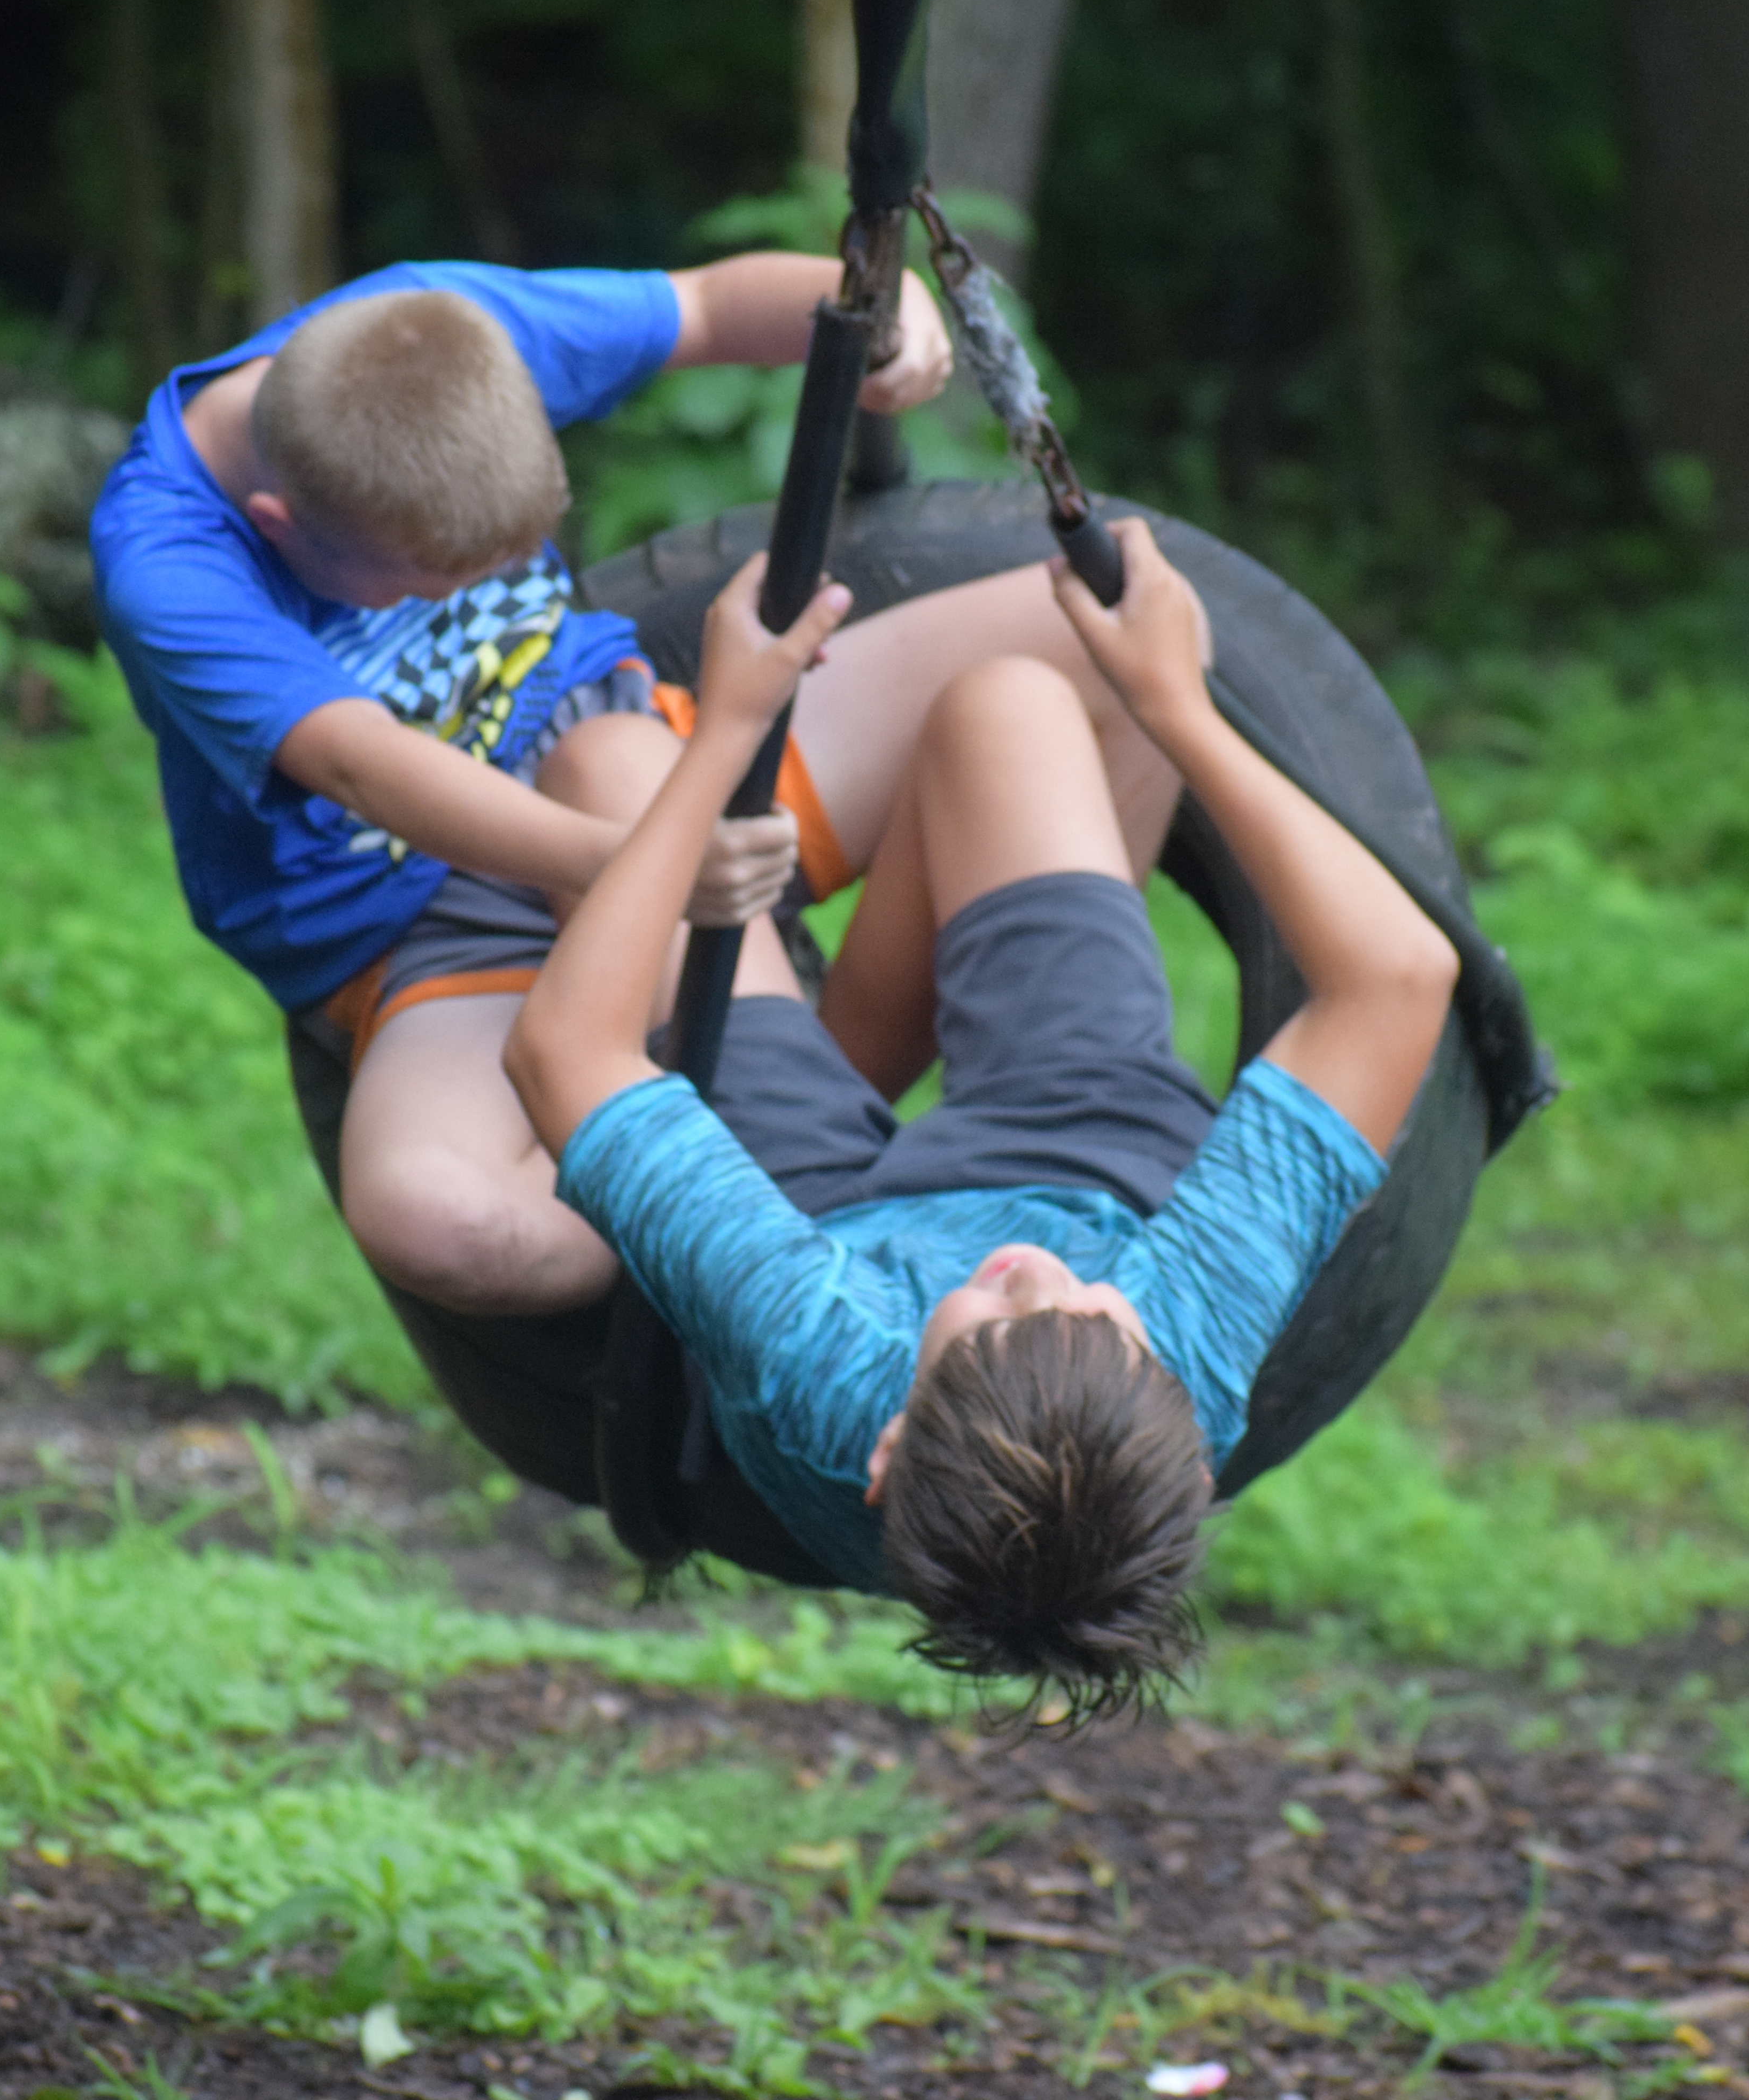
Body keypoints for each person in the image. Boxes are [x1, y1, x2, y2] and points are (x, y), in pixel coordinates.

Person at [91, 254, 1175, 1315]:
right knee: (438, 1215)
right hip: (424, 913)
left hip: (627, 748)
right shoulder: (170, 564)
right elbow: (361, 765)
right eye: (437, 581)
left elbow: (703, 305)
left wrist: (887, 317)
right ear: (280, 528)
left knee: (1121, 632)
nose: (476, 590)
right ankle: (735, 1214)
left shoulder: (431, 334)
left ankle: (830, 1095)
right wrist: (648, 866)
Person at [504, 521, 1460, 1710]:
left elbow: (562, 1053)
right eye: (1092, 1314)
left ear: (888, 1444)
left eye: (996, 1317)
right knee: (1007, 706)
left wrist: (732, 729)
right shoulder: (1183, 1342)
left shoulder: (821, 1360)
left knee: (606, 764)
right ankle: (816, 1043)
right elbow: (1397, 982)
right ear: (1177, 1411)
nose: (1033, 1273)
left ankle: (782, 1049)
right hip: (1083, 1155)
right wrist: (1177, 704)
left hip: (824, 1221)